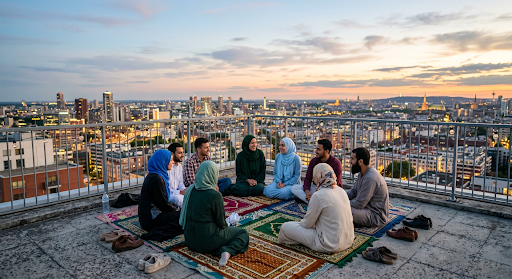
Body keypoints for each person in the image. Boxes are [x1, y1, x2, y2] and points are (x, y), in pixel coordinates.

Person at [180, 161, 249, 266]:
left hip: (190, 241)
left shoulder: (190, 189)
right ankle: (226, 251)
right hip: (207, 240)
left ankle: (219, 249)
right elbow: (221, 224)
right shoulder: (214, 195)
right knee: (242, 234)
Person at [278, 163, 354, 253]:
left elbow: (307, 224)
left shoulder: (318, 195)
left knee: (285, 227)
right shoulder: (342, 191)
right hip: (348, 240)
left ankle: (300, 241)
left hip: (327, 244)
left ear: (318, 176)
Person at [138, 149, 184, 242]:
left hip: (150, 214)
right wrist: (177, 209)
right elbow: (163, 203)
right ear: (163, 161)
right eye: (170, 160)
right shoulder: (156, 179)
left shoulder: (157, 175)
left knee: (182, 217)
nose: (172, 162)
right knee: (183, 218)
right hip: (150, 219)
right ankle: (157, 233)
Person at [347, 147, 389, 227]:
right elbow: (353, 192)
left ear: (360, 161)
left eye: (352, 159)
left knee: (342, 210)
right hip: (366, 209)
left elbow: (359, 203)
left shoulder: (370, 177)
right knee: (339, 206)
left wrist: (341, 204)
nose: (350, 161)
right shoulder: (362, 172)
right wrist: (339, 198)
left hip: (376, 216)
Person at [291, 139, 343, 203]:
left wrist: (318, 194)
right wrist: (307, 192)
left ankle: (311, 200)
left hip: (328, 190)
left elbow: (336, 184)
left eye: (318, 149)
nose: (315, 151)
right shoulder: (314, 161)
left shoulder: (336, 163)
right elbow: (308, 178)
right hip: (315, 187)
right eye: (316, 149)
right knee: (294, 188)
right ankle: (313, 200)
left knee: (332, 198)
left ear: (326, 151)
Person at [166, 142, 186, 208]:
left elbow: (181, 184)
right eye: (180, 153)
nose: (183, 155)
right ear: (172, 154)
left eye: (182, 152)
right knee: (178, 199)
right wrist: (179, 192)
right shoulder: (167, 167)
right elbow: (165, 189)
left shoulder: (179, 166)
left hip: (177, 194)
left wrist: (185, 191)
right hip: (169, 195)